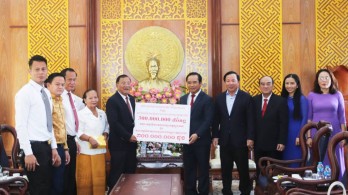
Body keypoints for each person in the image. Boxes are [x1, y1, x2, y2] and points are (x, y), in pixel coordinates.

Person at [15, 55, 61, 194]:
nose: (41, 72)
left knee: (47, 188)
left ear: (47, 70)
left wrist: (53, 148)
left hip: (46, 147)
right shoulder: (24, 93)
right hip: (33, 148)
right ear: (30, 72)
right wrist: (28, 153)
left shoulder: (46, 92)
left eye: (43, 69)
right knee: (38, 190)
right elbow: (20, 125)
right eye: (37, 69)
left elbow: (49, 123)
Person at [212, 71, 254, 195]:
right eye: (228, 81)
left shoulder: (246, 97)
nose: (230, 83)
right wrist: (215, 135)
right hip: (225, 140)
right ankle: (226, 190)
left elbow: (250, 120)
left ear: (238, 81)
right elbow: (216, 119)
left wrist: (250, 137)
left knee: (243, 169)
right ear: (225, 82)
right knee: (226, 168)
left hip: (241, 140)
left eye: (233, 80)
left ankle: (245, 191)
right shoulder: (219, 98)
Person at [307, 69, 346, 180]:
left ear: (332, 79)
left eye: (326, 77)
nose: (324, 80)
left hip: (335, 132)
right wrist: (309, 136)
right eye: (321, 78)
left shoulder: (338, 94)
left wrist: (343, 135)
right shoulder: (311, 95)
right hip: (317, 132)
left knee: (335, 158)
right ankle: (319, 186)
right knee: (319, 158)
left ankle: (337, 186)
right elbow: (309, 118)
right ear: (317, 81)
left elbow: (342, 117)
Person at [179, 72, 213, 195]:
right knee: (189, 168)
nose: (192, 85)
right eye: (189, 82)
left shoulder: (207, 99)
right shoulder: (182, 99)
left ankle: (203, 192)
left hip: (201, 141)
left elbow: (208, 120)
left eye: (194, 82)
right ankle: (190, 192)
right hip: (186, 140)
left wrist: (197, 134)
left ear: (200, 83)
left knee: (203, 169)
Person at [106, 74, 137, 191]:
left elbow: (134, 120)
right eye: (123, 83)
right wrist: (128, 136)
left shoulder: (132, 99)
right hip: (119, 144)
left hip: (131, 144)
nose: (126, 85)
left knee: (130, 172)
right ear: (117, 85)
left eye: (128, 83)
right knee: (117, 173)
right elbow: (114, 123)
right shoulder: (112, 101)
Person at [253, 76, 288, 177]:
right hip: (258, 142)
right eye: (263, 84)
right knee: (260, 169)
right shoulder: (254, 100)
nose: (265, 86)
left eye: (268, 83)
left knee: (276, 170)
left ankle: (275, 190)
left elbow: (283, 123)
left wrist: (282, 141)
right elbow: (251, 121)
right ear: (259, 86)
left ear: (273, 85)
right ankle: (260, 190)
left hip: (275, 143)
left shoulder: (280, 101)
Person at [76, 89, 109, 195]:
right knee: (85, 179)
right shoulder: (80, 114)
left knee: (99, 178)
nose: (93, 100)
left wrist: (105, 135)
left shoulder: (102, 113)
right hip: (85, 151)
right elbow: (78, 131)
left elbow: (107, 127)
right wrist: (90, 139)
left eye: (95, 97)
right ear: (85, 100)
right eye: (90, 98)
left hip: (99, 150)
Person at [61, 68, 85, 195]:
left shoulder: (77, 99)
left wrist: (76, 140)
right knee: (63, 177)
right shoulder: (57, 97)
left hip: (72, 140)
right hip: (60, 142)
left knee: (71, 176)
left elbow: (79, 121)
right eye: (69, 79)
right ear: (62, 79)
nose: (72, 82)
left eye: (74, 80)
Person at [46, 73, 71, 195]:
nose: (61, 87)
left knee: (60, 182)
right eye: (57, 84)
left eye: (62, 84)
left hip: (61, 146)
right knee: (53, 183)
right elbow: (48, 127)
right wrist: (54, 148)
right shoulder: (47, 101)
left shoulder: (60, 100)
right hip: (50, 147)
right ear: (48, 85)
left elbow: (62, 127)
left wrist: (65, 148)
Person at [281, 74, 308, 167]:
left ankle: (296, 181)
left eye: (292, 83)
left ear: (297, 85)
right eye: (287, 83)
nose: (289, 86)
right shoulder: (282, 99)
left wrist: (299, 135)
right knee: (284, 161)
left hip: (296, 133)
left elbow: (305, 118)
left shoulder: (302, 99)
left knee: (295, 160)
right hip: (284, 134)